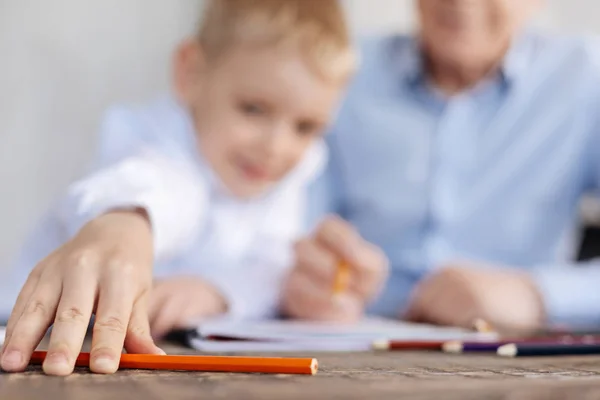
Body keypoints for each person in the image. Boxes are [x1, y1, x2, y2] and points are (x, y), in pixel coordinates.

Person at [0, 0, 356, 376]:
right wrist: (130, 218)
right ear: (191, 72)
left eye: (305, 127)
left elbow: (274, 262)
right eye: (253, 109)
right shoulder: (147, 135)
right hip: (28, 329)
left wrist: (216, 292)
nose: (276, 147)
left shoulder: (291, 172)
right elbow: (160, 184)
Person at [282, 0, 600, 333]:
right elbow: (286, 232)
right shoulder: (340, 68)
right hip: (349, 338)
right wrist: (308, 277)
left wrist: (536, 293)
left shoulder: (583, 79)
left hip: (512, 351)